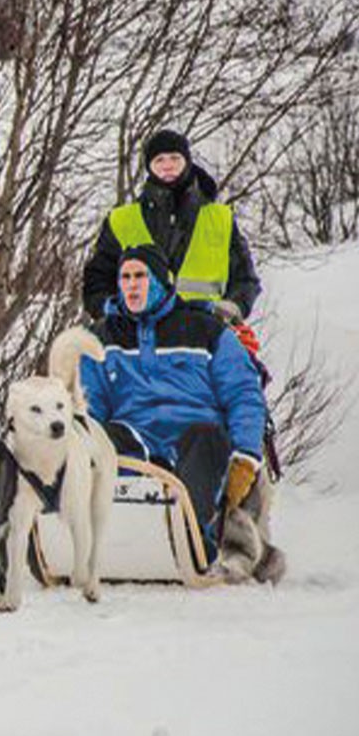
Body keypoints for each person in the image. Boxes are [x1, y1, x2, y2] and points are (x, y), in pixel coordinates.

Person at [79, 245, 282, 583]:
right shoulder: (101, 337)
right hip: (136, 442)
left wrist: (246, 454)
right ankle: (118, 540)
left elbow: (244, 395)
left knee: (205, 439)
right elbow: (90, 405)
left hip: (196, 442)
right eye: (125, 277)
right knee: (104, 437)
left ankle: (195, 543)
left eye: (140, 276)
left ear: (159, 281)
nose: (131, 285)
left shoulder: (206, 330)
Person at [82, 129, 262, 323]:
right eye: (159, 160)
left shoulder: (221, 218)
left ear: (187, 162)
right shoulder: (121, 220)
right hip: (138, 338)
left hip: (204, 334)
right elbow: (97, 281)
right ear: (149, 167)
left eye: (175, 158)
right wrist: (111, 311)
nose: (167, 166)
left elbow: (245, 278)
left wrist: (234, 306)